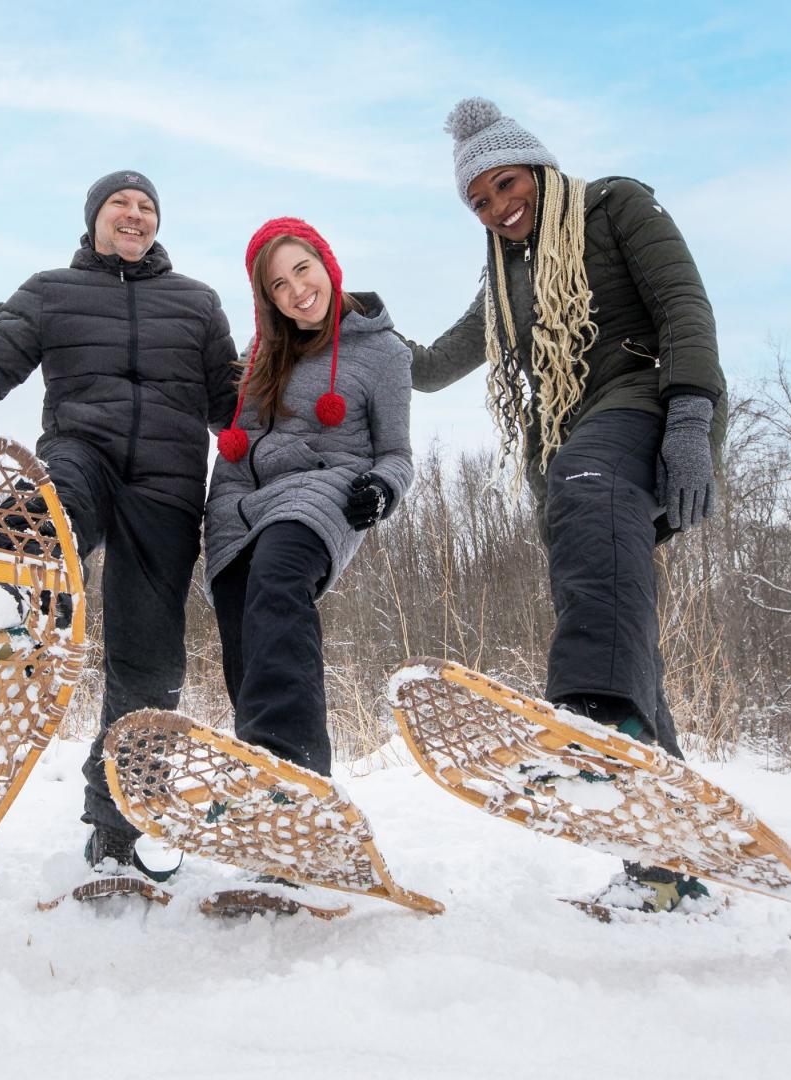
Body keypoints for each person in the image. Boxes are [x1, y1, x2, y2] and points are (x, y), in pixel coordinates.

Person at [0, 170, 239, 881]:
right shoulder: (52, 292)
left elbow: (235, 401)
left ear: (158, 223)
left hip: (169, 486)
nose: (134, 213)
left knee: (150, 664)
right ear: (93, 219)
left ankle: (123, 826)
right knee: (48, 509)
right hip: (83, 454)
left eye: (146, 205)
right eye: (120, 203)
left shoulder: (196, 303)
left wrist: (318, 384)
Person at [404, 98, 727, 914]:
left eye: (504, 184)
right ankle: (667, 864)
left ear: (538, 170)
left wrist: (692, 417)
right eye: (477, 202)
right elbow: (436, 365)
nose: (497, 208)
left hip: (648, 407)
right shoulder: (503, 281)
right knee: (612, 617)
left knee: (589, 525)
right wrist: (358, 325)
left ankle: (592, 715)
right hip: (577, 457)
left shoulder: (616, 206)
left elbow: (685, 304)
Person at [203, 218, 412, 777]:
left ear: (326, 264)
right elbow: (238, 432)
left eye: (303, 269)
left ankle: (294, 764)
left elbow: (398, 455)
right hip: (242, 499)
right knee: (240, 620)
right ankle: (266, 778)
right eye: (278, 284)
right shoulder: (261, 354)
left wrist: (382, 488)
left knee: (276, 577)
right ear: (267, 299)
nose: (297, 290)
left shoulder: (383, 352)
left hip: (325, 490)